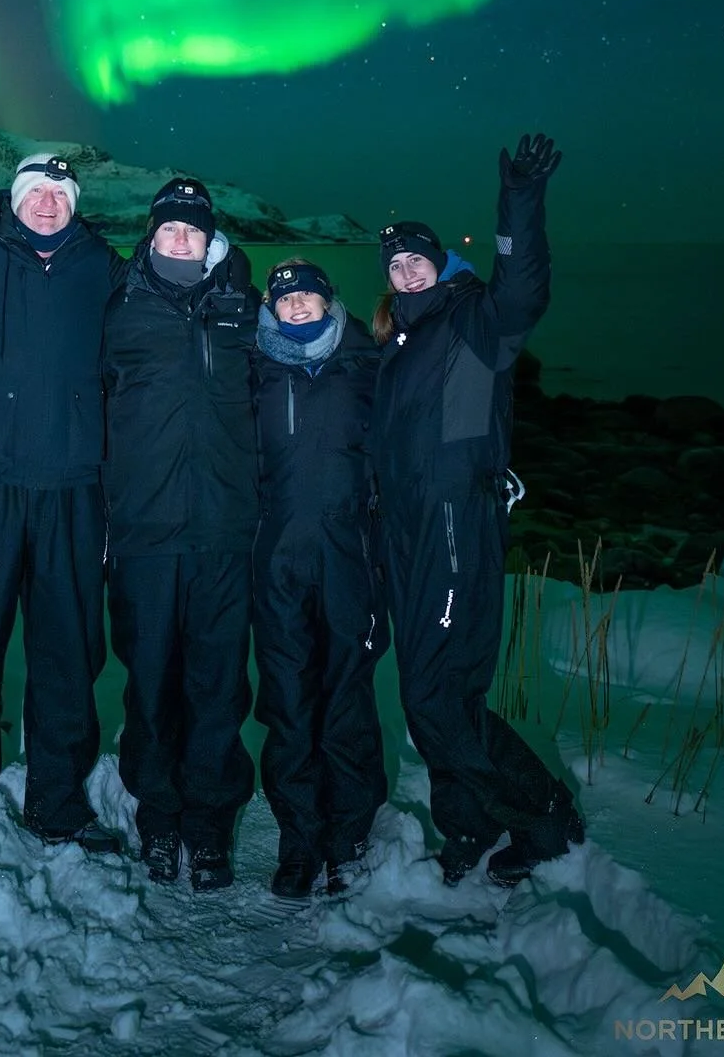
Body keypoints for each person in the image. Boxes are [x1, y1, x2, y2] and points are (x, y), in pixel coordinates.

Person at [368, 132, 583, 888]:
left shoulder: (472, 323)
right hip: (407, 539)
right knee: (429, 699)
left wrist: (519, 198)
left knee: (439, 695)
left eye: (416, 258)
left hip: (458, 532)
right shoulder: (395, 348)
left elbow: (523, 284)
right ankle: (468, 824)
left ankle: (545, 813)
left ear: (441, 265)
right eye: (394, 265)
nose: (405, 269)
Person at [0, 153, 126, 853]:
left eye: (60, 194)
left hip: (74, 486)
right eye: (36, 192)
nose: (48, 204)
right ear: (14, 197)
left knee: (68, 653)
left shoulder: (102, 268)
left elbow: (145, 345)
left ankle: (59, 798)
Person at [102, 176, 260, 890]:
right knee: (153, 683)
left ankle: (210, 823)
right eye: (169, 230)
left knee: (219, 687)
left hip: (225, 532)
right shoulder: (118, 308)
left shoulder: (242, 311)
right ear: (152, 234)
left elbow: (310, 371)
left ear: (207, 239)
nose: (180, 240)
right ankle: (158, 818)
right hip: (146, 533)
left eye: (192, 231)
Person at [251, 260, 388, 899]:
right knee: (288, 703)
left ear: (330, 301)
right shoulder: (253, 368)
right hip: (277, 560)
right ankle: (298, 840)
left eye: (309, 296)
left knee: (346, 701)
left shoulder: (368, 362)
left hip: (348, 558)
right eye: (286, 299)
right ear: (271, 309)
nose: (299, 306)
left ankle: (347, 839)